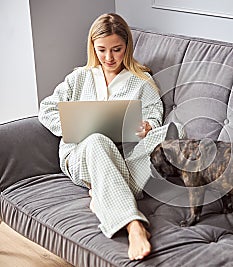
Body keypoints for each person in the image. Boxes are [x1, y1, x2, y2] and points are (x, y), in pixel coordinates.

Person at [38, 13, 183, 261]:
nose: (109, 58)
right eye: (102, 50)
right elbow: (47, 108)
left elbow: (154, 116)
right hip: (83, 153)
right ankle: (133, 225)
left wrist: (146, 126)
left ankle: (101, 191)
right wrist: (74, 126)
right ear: (93, 48)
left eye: (117, 50)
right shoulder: (78, 78)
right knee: (96, 140)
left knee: (170, 133)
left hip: (126, 155)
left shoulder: (142, 81)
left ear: (127, 47)